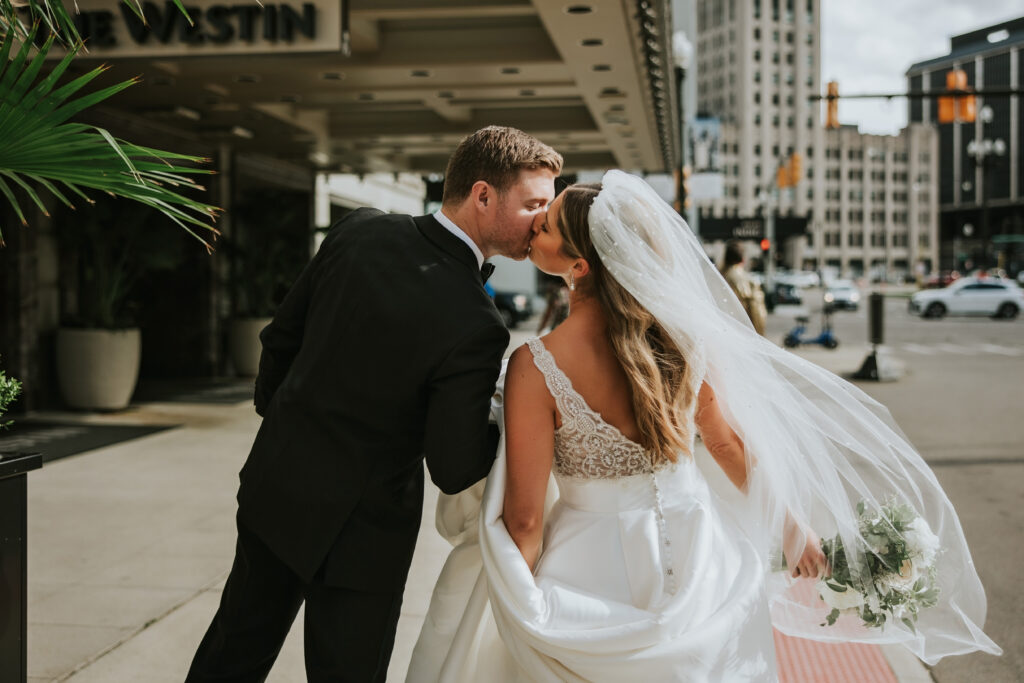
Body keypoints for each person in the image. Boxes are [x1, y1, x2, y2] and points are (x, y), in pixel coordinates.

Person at [408, 171, 1000, 681]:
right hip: (701, 562)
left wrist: (523, 599)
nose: (534, 225)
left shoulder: (536, 368)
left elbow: (525, 519)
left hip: (587, 571)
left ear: (580, 266)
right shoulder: (685, 344)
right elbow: (727, 443)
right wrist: (793, 529)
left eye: (546, 225)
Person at [185, 126, 562, 682]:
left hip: (277, 488)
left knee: (230, 656)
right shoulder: (476, 325)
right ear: (482, 195)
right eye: (534, 203)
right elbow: (454, 466)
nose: (542, 219)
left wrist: (292, 429)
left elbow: (277, 345)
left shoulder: (356, 231)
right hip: (365, 535)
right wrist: (520, 425)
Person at [720, 239, 767, 335]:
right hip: (740, 328)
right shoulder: (745, 280)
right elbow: (756, 312)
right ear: (742, 259)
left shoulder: (719, 275)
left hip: (721, 326)